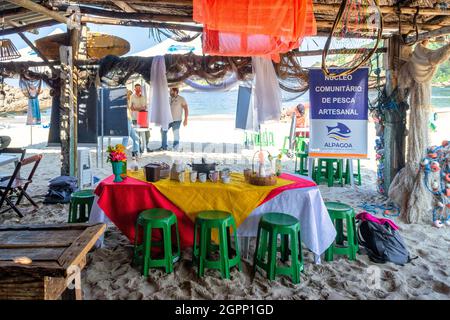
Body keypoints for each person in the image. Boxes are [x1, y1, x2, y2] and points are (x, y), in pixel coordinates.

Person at [159, 87, 189, 151]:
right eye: (170, 91)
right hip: (168, 120)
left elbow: (186, 109)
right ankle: (164, 147)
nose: (169, 92)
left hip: (177, 120)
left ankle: (175, 147)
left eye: (171, 91)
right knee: (163, 130)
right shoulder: (169, 98)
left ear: (175, 91)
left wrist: (186, 119)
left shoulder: (181, 99)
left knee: (175, 133)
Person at [129, 83, 151, 152]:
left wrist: (136, 108)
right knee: (137, 135)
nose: (138, 90)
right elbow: (131, 108)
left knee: (147, 134)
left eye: (139, 88)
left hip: (143, 118)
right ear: (134, 89)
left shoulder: (143, 97)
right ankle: (139, 149)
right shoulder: (132, 97)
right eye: (137, 88)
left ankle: (145, 147)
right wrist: (139, 108)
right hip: (135, 118)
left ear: (141, 89)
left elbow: (144, 107)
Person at [122, 89, 140, 157]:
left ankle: (135, 153)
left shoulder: (129, 101)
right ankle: (121, 155)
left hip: (129, 121)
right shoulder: (125, 101)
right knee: (126, 138)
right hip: (127, 120)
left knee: (136, 138)